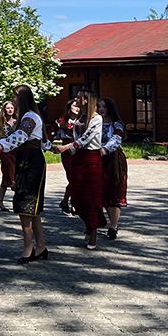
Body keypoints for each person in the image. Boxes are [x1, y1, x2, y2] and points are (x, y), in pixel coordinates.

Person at [0, 85, 49, 263]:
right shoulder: (26, 116)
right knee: (29, 207)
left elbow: (22, 135)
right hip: (25, 159)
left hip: (31, 162)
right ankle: (41, 245)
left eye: (16, 96)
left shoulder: (29, 117)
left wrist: (2, 146)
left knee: (26, 205)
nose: (13, 99)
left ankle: (29, 247)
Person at [56, 92, 105, 249]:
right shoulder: (80, 117)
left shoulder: (97, 118)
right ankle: (88, 224)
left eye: (79, 98)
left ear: (86, 100)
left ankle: (93, 230)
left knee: (90, 196)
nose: (76, 100)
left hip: (91, 158)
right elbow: (75, 136)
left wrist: (66, 147)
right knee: (76, 196)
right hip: (78, 158)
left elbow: (86, 139)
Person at [98, 98, 127, 241]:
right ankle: (109, 222)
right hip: (98, 158)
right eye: (99, 106)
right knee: (102, 191)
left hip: (113, 160)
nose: (101, 109)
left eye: (104, 106)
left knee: (114, 190)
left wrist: (105, 149)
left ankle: (113, 226)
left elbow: (117, 138)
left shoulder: (117, 124)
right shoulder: (95, 123)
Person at [56, 99, 82, 215]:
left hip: (80, 150)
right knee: (72, 177)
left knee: (78, 177)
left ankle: (66, 201)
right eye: (75, 106)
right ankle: (72, 203)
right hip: (67, 151)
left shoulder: (83, 120)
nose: (77, 108)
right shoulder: (62, 120)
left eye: (79, 106)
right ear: (69, 107)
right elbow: (57, 134)